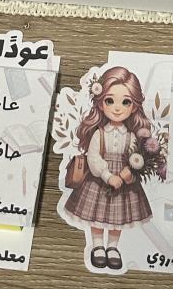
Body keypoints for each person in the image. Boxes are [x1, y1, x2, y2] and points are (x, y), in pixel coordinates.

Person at [64, 66, 152, 271]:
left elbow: (137, 159)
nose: (117, 108)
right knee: (96, 214)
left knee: (117, 217)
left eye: (125, 102)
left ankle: (112, 247)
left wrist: (128, 174)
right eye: (110, 101)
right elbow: (93, 156)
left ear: (134, 106)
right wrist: (106, 174)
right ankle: (97, 246)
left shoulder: (131, 136)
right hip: (99, 180)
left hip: (123, 182)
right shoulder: (100, 133)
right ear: (101, 103)